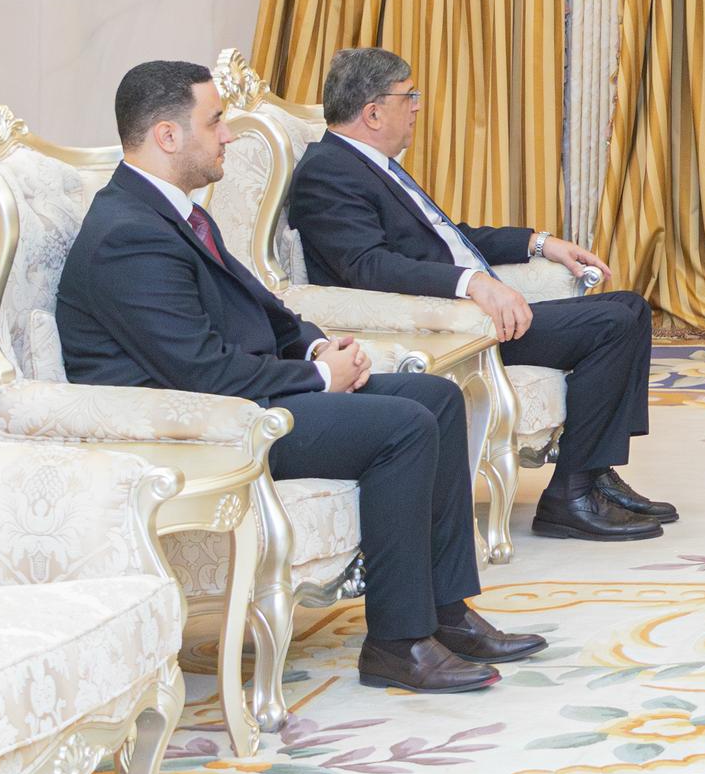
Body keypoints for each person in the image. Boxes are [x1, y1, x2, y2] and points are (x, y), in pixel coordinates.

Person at [59, 60, 543, 695]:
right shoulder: (126, 234)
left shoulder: (170, 212)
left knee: (437, 398)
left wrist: (316, 344)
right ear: (167, 136)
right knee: (403, 426)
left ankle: (444, 610)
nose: (228, 135)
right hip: (205, 430)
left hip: (248, 397)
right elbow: (198, 371)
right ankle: (397, 643)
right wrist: (318, 378)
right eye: (215, 121)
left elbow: (262, 306)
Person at [285, 47, 670, 544]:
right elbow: (368, 266)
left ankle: (594, 474)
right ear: (373, 112)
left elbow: (447, 239)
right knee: (614, 323)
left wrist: (539, 242)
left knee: (628, 308)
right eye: (409, 96)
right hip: (455, 330)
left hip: (473, 314)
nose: (417, 107)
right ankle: (571, 495)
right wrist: (473, 284)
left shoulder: (373, 165)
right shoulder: (329, 171)